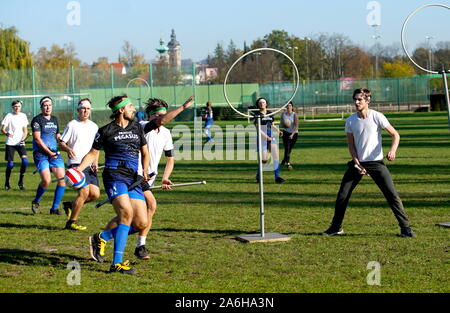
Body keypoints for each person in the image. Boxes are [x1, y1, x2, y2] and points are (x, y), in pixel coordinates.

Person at [101, 95, 195, 261]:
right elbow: (160, 122)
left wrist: (165, 177)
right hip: (134, 177)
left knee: (130, 217)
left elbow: (170, 159)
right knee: (149, 205)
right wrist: (182, 107)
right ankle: (139, 245)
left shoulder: (166, 134)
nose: (162, 118)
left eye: (163, 114)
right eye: (158, 115)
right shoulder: (142, 126)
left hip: (148, 179)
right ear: (151, 115)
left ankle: (104, 237)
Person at [322, 88, 415, 237]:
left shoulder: (377, 117)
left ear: (368, 100)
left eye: (360, 99)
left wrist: (392, 151)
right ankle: (336, 228)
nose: (356, 102)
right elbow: (351, 145)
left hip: (376, 163)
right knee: (342, 195)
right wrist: (357, 162)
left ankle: (406, 229)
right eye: (355, 99)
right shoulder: (350, 121)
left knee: (392, 195)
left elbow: (395, 135)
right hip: (358, 163)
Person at [79, 95, 150, 275]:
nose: (133, 109)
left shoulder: (137, 128)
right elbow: (92, 153)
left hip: (133, 178)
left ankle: (102, 237)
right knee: (126, 213)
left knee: (141, 222)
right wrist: (79, 169)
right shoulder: (105, 131)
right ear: (121, 110)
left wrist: (146, 171)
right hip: (114, 176)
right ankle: (117, 262)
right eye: (130, 106)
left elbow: (145, 152)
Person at [59, 98, 100, 231]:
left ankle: (70, 204)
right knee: (84, 192)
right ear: (78, 110)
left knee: (95, 194)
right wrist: (68, 149)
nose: (85, 111)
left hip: (90, 165)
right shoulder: (72, 125)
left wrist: (95, 162)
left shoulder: (94, 126)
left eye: (88, 108)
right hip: (76, 164)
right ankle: (71, 222)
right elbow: (61, 142)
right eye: (83, 108)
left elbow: (96, 148)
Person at [30, 96, 66, 215]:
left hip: (54, 154)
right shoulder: (37, 120)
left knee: (62, 179)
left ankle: (54, 208)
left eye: (49, 105)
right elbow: (37, 139)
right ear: (41, 107)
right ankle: (36, 201)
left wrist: (63, 140)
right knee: (46, 180)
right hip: (41, 154)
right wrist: (49, 153)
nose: (48, 107)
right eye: (45, 105)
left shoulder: (55, 119)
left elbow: (57, 135)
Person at [253, 97, 285, 184]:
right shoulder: (257, 115)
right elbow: (258, 129)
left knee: (276, 157)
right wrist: (266, 137)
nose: (262, 103)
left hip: (271, 138)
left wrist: (278, 131)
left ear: (266, 104)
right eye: (260, 103)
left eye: (263, 102)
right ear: (258, 105)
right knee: (264, 160)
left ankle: (277, 177)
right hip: (261, 139)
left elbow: (272, 125)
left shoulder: (270, 114)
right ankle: (258, 175)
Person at [1, 100, 29, 190]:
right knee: (10, 165)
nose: (17, 108)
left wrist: (23, 139)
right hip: (10, 143)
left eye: (19, 106)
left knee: (25, 161)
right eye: (15, 106)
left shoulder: (23, 116)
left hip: (20, 143)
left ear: (21, 107)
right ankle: (6, 183)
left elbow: (25, 131)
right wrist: (6, 133)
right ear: (13, 107)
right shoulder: (9, 115)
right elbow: (3, 129)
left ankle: (21, 182)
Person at [280, 101, 299, 170]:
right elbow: (281, 124)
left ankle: (284, 160)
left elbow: (296, 126)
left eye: (290, 105)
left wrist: (292, 134)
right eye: (287, 105)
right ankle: (288, 164)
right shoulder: (283, 114)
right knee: (287, 148)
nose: (288, 107)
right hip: (286, 133)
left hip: (294, 134)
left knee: (289, 149)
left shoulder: (295, 115)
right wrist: (284, 125)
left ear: (292, 107)